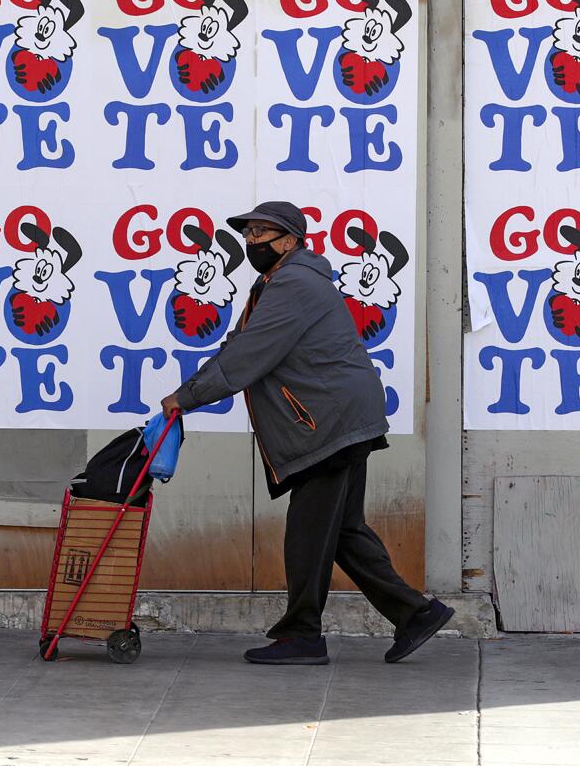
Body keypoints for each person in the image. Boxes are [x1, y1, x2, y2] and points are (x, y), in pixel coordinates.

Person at [160, 201, 454, 665]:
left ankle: (303, 635)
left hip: (329, 423)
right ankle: (415, 613)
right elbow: (240, 343)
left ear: (292, 241)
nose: (252, 240)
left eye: (263, 232)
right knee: (342, 532)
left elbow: (249, 356)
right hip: (339, 419)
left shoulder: (293, 283)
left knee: (308, 533)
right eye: (249, 232)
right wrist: (194, 387)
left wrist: (188, 396)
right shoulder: (276, 282)